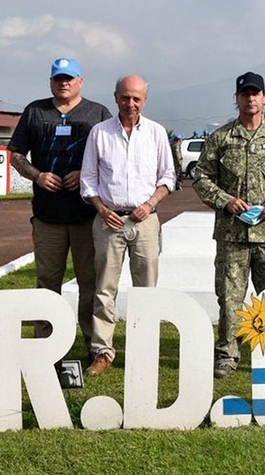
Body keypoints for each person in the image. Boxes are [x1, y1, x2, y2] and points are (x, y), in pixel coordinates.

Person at [193, 72, 265, 378]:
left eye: (256, 93)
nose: (251, 98)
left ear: (264, 97)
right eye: (245, 94)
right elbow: (200, 177)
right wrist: (225, 200)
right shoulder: (222, 138)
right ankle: (227, 354)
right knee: (230, 296)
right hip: (233, 234)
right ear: (237, 98)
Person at [7, 58, 112, 360]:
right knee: (47, 282)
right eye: (58, 79)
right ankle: (46, 344)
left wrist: (85, 173)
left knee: (89, 283)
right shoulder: (35, 111)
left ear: (80, 81)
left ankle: (94, 344)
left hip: (86, 214)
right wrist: (37, 175)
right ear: (50, 82)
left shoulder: (97, 113)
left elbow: (109, 157)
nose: (63, 83)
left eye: (69, 78)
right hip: (47, 215)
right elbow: (15, 153)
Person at [80, 74, 175, 376]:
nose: (130, 103)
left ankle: (145, 349)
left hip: (145, 220)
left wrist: (150, 205)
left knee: (147, 289)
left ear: (145, 100)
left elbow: (168, 178)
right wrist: (100, 207)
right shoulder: (99, 133)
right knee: (104, 290)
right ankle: (102, 352)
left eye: (136, 98)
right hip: (108, 220)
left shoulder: (157, 133)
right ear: (116, 97)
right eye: (125, 97)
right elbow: (88, 180)